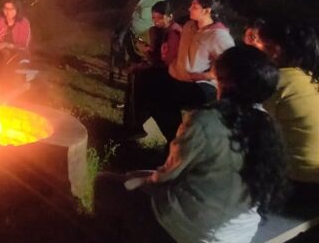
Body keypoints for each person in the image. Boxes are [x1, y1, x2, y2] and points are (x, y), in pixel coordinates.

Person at [97, 45, 289, 243]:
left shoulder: (207, 120)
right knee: (133, 178)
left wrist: (140, 179)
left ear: (226, 82)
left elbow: (167, 175)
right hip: (236, 236)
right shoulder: (267, 125)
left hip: (189, 230)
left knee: (105, 183)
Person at [154, 0, 235, 142]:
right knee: (151, 89)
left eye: (195, 6)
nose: (189, 8)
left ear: (207, 10)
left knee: (165, 98)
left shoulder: (218, 35)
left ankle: (180, 141)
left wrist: (205, 76)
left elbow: (229, 66)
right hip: (178, 76)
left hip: (201, 85)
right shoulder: (189, 26)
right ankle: (174, 138)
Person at [259, 22, 319, 191]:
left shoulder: (277, 81)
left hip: (298, 177)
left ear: (276, 50)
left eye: (263, 46)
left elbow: (252, 125)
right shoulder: (310, 77)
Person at [123, 1, 182, 138]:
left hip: (172, 73)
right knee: (136, 76)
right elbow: (155, 56)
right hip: (160, 70)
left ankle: (137, 123)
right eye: (154, 18)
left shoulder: (174, 33)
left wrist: (143, 60)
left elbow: (165, 62)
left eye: (160, 18)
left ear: (170, 16)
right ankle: (134, 123)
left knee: (144, 81)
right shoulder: (155, 31)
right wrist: (146, 51)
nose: (156, 21)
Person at [111, 0, 165, 75]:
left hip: (144, 35)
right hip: (128, 30)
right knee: (117, 38)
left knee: (132, 42)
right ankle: (122, 64)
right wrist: (118, 27)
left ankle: (134, 65)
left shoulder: (157, 0)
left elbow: (163, 20)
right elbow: (126, 13)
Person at [0, 0, 32, 65]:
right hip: (1, 53)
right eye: (6, 8)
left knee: (19, 58)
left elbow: (24, 44)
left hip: (20, 53)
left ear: (17, 9)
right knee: (3, 56)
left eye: (12, 9)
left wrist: (8, 45)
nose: (8, 11)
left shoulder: (24, 23)